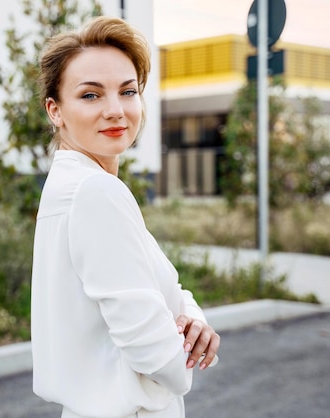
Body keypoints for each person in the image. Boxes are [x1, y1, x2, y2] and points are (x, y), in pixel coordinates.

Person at [31, 15, 220, 418]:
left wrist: (193, 321)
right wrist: (183, 360)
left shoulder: (71, 184)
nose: (116, 110)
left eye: (128, 91)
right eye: (91, 95)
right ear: (55, 110)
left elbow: (164, 291)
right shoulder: (95, 192)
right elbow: (157, 353)